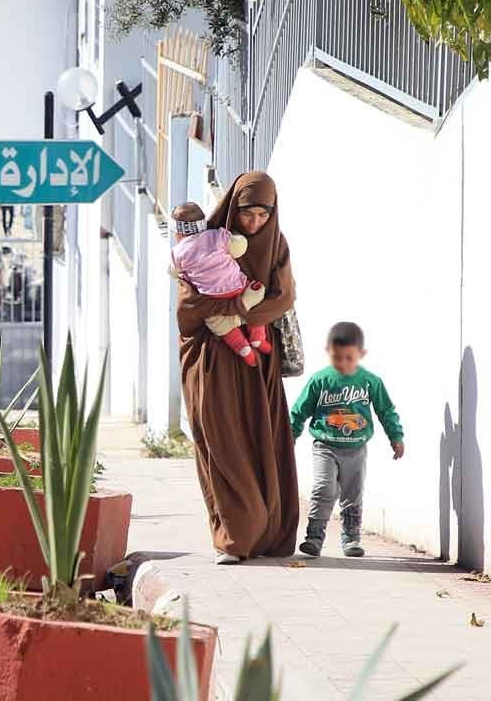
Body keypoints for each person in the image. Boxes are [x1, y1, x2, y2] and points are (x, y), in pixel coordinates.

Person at [176, 172, 299, 565]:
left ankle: (268, 533)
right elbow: (187, 309)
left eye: (264, 214)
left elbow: (281, 298)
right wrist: (240, 308)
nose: (255, 223)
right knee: (223, 444)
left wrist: (233, 310)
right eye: (248, 214)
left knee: (262, 442)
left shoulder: (276, 245)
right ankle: (234, 536)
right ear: (233, 208)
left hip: (258, 362)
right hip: (212, 363)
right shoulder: (204, 243)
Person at [290, 322, 404, 559]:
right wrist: (290, 435)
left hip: (356, 448)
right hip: (325, 446)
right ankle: (314, 537)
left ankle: (351, 538)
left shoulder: (370, 381)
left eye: (348, 358)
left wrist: (396, 436)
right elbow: (299, 411)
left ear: (361, 354)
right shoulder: (320, 381)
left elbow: (386, 411)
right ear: (327, 351)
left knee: (353, 493)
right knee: (323, 489)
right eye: (336, 357)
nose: (342, 363)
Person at [170, 202, 271, 366]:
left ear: (179, 233)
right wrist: (238, 237)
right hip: (236, 286)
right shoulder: (216, 236)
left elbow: (177, 273)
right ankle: (258, 337)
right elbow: (239, 247)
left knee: (216, 322)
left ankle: (243, 348)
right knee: (257, 299)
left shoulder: (177, 253)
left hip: (212, 296)